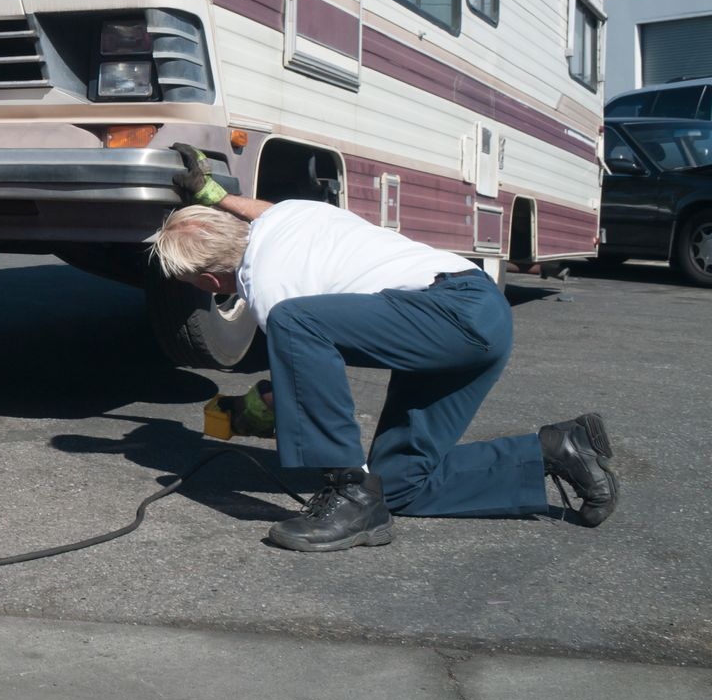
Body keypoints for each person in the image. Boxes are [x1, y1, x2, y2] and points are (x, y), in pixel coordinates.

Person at [151, 144, 619, 552]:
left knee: (296, 325)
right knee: (398, 487)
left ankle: (351, 495)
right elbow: (256, 210)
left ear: (212, 283)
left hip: (452, 316)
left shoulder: (274, 293)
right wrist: (214, 194)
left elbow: (299, 384)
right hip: (470, 311)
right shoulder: (290, 214)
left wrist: (251, 410)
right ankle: (556, 451)